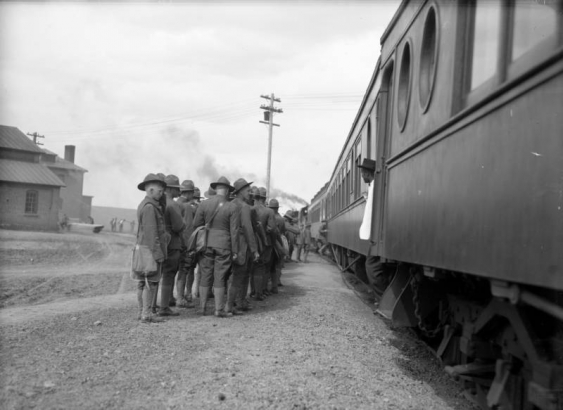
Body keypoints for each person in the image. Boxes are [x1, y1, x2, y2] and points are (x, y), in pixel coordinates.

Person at [193, 176, 239, 317]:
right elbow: (234, 231)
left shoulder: (204, 204)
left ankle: (202, 307)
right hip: (224, 244)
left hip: (206, 243)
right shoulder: (232, 207)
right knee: (220, 276)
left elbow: (196, 225)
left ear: (216, 189)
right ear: (227, 191)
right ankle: (218, 310)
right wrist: (235, 250)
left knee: (205, 274)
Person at [132, 173, 168, 323]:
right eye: (160, 191)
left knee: (142, 281)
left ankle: (142, 312)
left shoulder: (146, 205)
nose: (162, 194)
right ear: (151, 190)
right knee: (150, 281)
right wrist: (158, 253)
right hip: (149, 250)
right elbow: (151, 233)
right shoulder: (149, 208)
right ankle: (146, 314)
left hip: (143, 248)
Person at [225, 178, 259, 315]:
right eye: (247, 190)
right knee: (239, 275)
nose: (249, 192)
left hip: (227, 243)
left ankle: (232, 303)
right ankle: (231, 305)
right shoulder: (244, 207)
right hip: (241, 245)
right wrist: (254, 249)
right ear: (239, 192)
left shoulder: (229, 204)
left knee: (228, 275)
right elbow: (247, 229)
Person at [157, 175, 185, 317]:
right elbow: (178, 226)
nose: (178, 192)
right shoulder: (172, 205)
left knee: (156, 275)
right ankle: (164, 306)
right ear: (169, 189)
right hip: (172, 243)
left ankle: (152, 305)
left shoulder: (157, 202)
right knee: (169, 275)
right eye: (176, 189)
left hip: (159, 242)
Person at [252, 187, 277, 300]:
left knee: (249, 267)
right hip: (265, 242)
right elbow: (272, 228)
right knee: (262, 267)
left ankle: (251, 291)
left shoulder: (249, 208)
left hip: (249, 241)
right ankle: (260, 291)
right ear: (264, 197)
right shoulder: (269, 211)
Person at [176, 179, 197, 308]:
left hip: (173, 244)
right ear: (190, 193)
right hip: (184, 244)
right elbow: (188, 228)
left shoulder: (174, 203)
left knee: (171, 273)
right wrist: (190, 246)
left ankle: (170, 299)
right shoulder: (188, 207)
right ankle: (180, 298)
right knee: (183, 271)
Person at [267, 199, 289, 293]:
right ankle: (274, 286)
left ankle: (265, 287)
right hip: (278, 243)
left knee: (267, 266)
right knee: (277, 266)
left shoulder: (268, 215)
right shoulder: (281, 219)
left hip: (268, 242)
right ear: (277, 208)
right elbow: (283, 231)